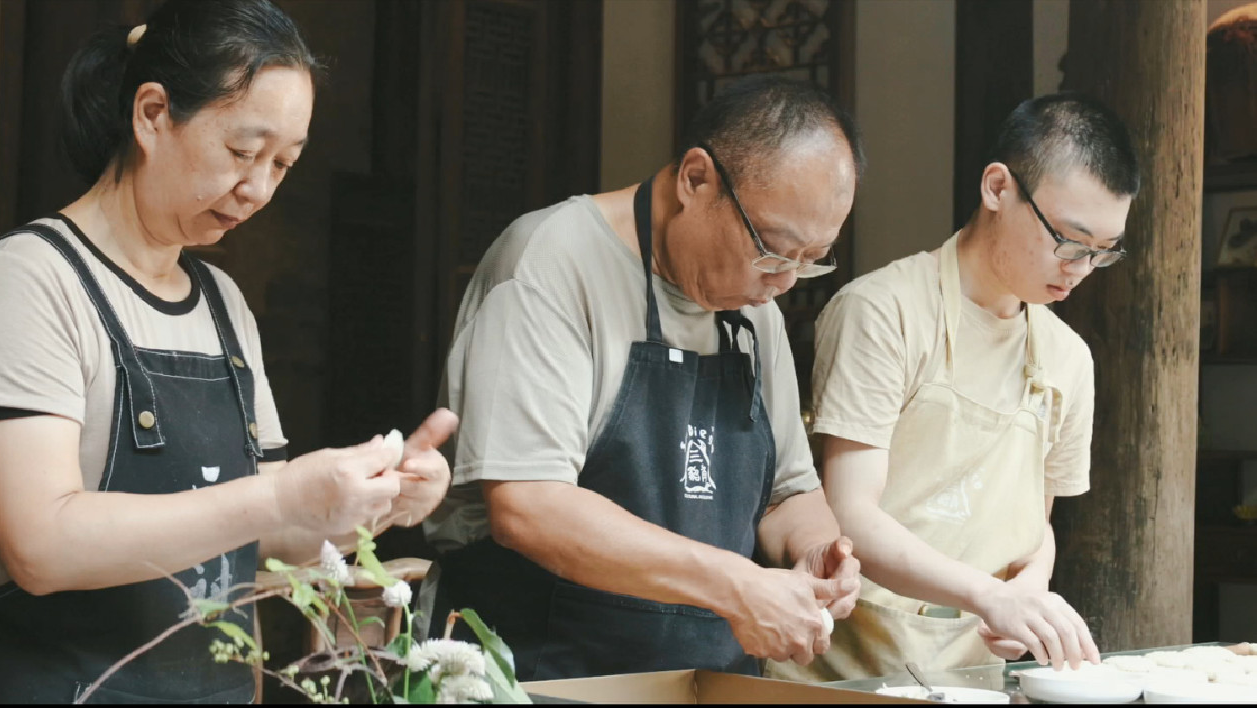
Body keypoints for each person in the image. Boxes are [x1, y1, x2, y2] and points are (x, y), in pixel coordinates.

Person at [0, 1, 455, 702]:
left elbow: (267, 537)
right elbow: (41, 545)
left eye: (283, 163)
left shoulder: (222, 303)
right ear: (153, 114)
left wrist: (378, 500)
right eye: (243, 152)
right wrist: (278, 493)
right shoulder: (33, 278)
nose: (259, 188)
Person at [416, 76, 864, 681]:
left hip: (706, 683)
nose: (784, 281)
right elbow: (527, 505)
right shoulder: (552, 262)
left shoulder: (755, 309)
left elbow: (788, 493)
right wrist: (735, 584)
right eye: (774, 249)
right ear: (696, 179)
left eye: (811, 260)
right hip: (544, 676)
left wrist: (817, 552)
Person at [766, 93, 1140, 683]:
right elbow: (849, 513)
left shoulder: (1069, 359)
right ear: (998, 188)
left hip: (976, 671)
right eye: (1069, 241)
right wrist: (990, 597)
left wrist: (1028, 591)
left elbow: (1034, 526)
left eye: (1102, 253)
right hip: (849, 664)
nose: (1080, 268)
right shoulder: (882, 311)